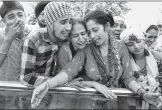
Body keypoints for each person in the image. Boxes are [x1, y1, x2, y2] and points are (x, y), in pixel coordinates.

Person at [30, 10, 162, 109]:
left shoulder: (121, 47)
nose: (92, 36)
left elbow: (127, 77)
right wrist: (47, 85)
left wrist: (143, 94)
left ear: (107, 26)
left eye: (95, 30)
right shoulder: (87, 49)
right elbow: (69, 71)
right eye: (89, 32)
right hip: (87, 104)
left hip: (113, 103)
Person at [20, 2, 73, 87]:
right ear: (50, 23)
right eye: (63, 22)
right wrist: (61, 82)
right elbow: (26, 78)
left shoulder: (65, 38)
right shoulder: (34, 39)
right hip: (32, 93)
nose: (69, 27)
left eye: (70, 22)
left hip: (53, 91)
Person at [0, 1, 26, 108]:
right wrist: (9, 38)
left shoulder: (32, 37)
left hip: (22, 95)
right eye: (11, 17)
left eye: (20, 15)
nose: (17, 20)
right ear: (4, 21)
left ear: (25, 16)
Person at [120, 28, 162, 109]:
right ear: (125, 46)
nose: (136, 46)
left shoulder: (158, 58)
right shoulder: (123, 61)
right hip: (130, 102)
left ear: (144, 40)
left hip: (156, 101)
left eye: (138, 41)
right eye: (130, 44)